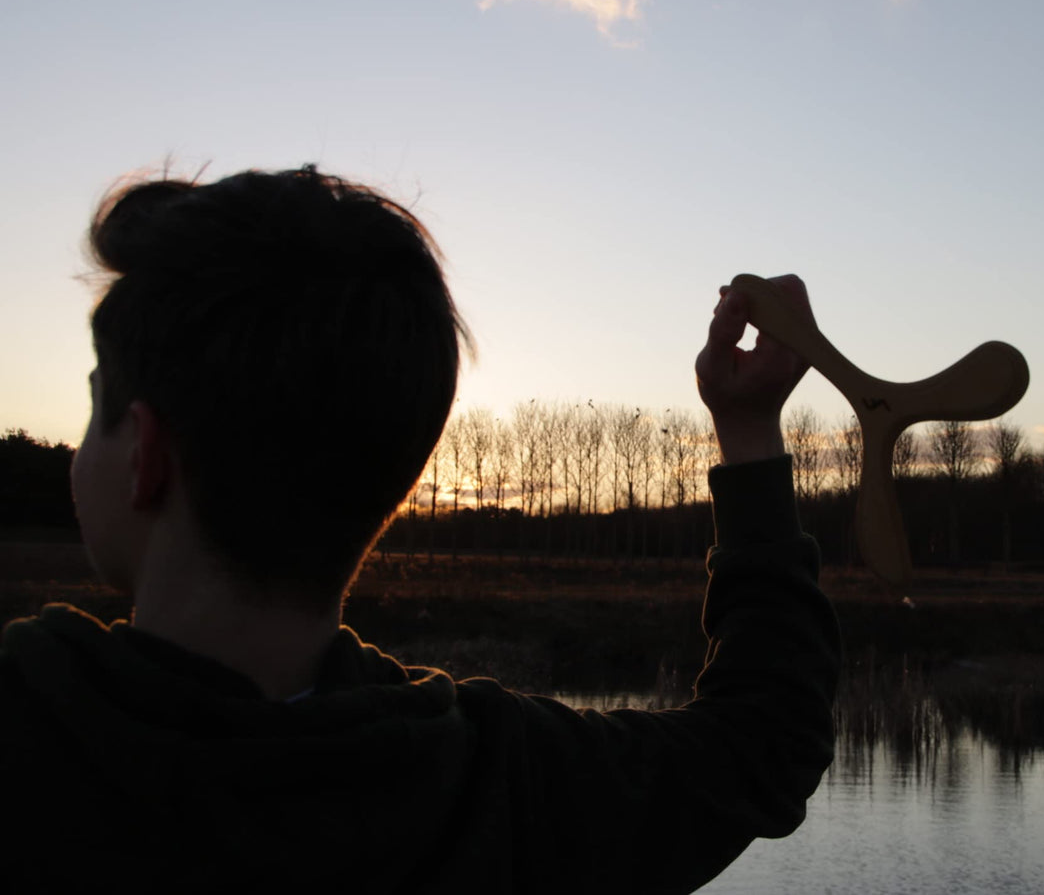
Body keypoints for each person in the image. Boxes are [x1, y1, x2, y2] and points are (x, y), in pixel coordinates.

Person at [0, 166, 840, 893]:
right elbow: (764, 743)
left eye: (91, 410)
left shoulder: (28, 737)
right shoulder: (496, 787)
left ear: (145, 454)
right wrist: (747, 431)